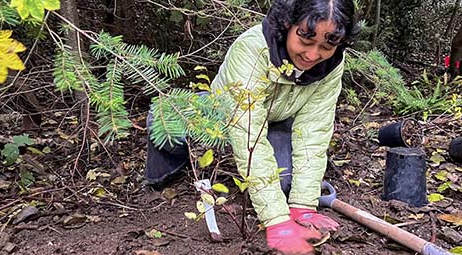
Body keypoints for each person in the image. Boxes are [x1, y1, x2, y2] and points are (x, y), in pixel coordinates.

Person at [145, 0, 359, 253]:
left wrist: (303, 206)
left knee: (283, 183)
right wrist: (277, 222)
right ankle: (166, 170)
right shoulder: (253, 48)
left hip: (275, 122)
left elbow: (314, 130)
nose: (313, 55)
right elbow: (248, 133)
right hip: (219, 114)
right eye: (305, 41)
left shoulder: (331, 65)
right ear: (288, 24)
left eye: (326, 46)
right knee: (165, 127)